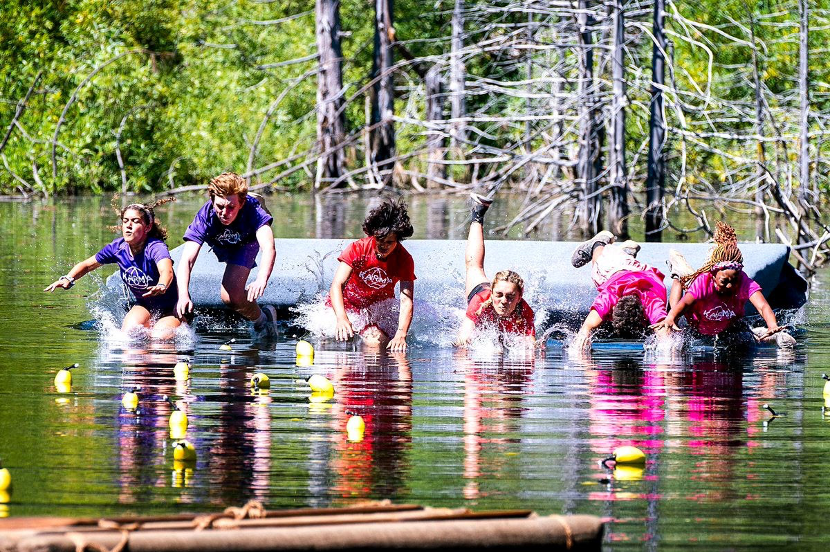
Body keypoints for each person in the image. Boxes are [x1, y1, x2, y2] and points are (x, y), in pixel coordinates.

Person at [45, 198, 183, 339]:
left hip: (171, 308)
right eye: (125, 221)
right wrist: (69, 278)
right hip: (144, 306)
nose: (128, 226)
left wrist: (162, 284)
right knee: (128, 336)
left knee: (158, 339)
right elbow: (87, 265)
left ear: (147, 227)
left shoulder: (155, 247)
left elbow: (167, 271)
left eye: (135, 221)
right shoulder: (117, 248)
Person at [653, 222, 796, 347]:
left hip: (728, 326)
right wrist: (671, 318)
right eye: (724, 281)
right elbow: (683, 305)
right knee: (673, 324)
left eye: (733, 282)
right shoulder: (703, 282)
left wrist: (772, 325)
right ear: (713, 275)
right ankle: (678, 275)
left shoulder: (744, 281)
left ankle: (771, 336)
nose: (729, 286)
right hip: (697, 324)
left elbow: (763, 306)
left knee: (744, 342)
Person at [176, 172, 277, 334]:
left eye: (231, 207)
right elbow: (187, 259)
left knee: (230, 296)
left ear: (241, 203)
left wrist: (261, 279)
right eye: (220, 206)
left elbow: (269, 247)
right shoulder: (205, 216)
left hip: (246, 240)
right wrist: (183, 295)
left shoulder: (252, 209)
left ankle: (263, 319)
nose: (224, 213)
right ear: (212, 201)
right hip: (221, 238)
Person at [328, 197, 416, 351]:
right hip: (348, 304)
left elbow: (406, 301)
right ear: (373, 235)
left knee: (377, 344)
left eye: (390, 242)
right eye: (380, 241)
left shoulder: (404, 259)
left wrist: (401, 334)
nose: (384, 246)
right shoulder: (358, 249)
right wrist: (341, 318)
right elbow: (337, 285)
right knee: (329, 337)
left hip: (378, 309)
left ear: (398, 240)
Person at [455, 194, 536, 347]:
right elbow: (462, 340)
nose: (504, 301)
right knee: (474, 266)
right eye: (499, 295)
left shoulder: (526, 311)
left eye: (511, 297)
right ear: (492, 293)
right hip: (479, 290)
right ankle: (477, 214)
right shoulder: (480, 302)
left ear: (520, 297)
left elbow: (531, 346)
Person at [570, 231, 670, 351]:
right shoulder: (611, 295)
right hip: (625, 271)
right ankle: (611, 247)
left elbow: (665, 333)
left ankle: (612, 247)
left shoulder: (651, 302)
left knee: (607, 268)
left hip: (636, 271)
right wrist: (582, 336)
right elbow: (587, 326)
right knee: (602, 269)